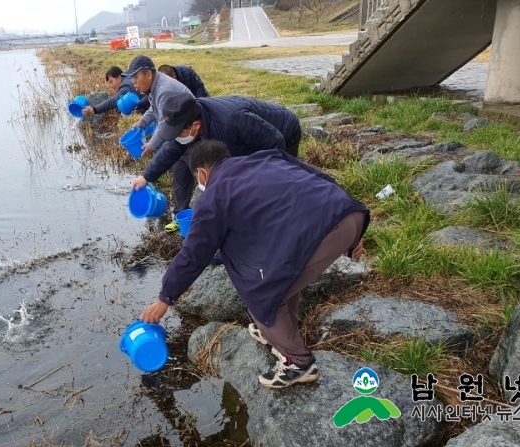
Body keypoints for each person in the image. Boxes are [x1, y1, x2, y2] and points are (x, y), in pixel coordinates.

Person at [139, 140, 369, 389]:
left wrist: (164, 299)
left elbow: (193, 254)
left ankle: (297, 363)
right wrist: (355, 230)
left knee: (262, 294)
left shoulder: (214, 195)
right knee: (280, 274)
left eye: (197, 179)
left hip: (321, 234)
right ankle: (279, 332)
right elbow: (320, 178)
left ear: (202, 173)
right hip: (349, 215)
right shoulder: (267, 156)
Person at [130, 92, 302, 230]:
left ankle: (288, 223)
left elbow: (275, 141)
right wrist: (146, 176)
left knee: (271, 188)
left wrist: (260, 176)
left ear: (195, 126)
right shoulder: (189, 119)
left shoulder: (231, 121)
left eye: (177, 134)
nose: (175, 138)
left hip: (283, 133)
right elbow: (172, 149)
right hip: (248, 140)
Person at [122, 55, 195, 154]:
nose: (133, 81)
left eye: (136, 77)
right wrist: (142, 123)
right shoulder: (155, 85)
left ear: (148, 74)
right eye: (132, 78)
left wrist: (152, 145)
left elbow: (164, 122)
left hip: (189, 132)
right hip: (176, 128)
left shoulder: (164, 90)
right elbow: (155, 107)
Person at [82, 66, 150, 116]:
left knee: (124, 109)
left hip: (148, 109)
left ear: (119, 78)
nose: (111, 85)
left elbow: (113, 101)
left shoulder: (125, 86)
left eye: (111, 82)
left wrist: (94, 110)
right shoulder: (126, 76)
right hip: (146, 103)